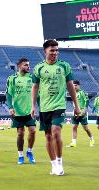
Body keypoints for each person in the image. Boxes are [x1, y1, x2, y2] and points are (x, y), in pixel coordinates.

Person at [31, 39, 80, 176]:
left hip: (59, 105)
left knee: (56, 132)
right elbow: (35, 87)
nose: (55, 53)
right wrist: (33, 106)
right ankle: (53, 165)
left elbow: (70, 86)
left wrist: (76, 105)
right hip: (44, 107)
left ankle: (59, 163)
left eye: (57, 50)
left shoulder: (64, 66)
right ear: (45, 51)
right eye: (52, 50)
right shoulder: (38, 68)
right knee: (48, 137)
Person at [6, 58, 36, 165]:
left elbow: (38, 92)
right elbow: (9, 94)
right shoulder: (12, 79)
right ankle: (20, 155)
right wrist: (10, 107)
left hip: (29, 111)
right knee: (20, 133)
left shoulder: (32, 78)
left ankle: (30, 152)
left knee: (32, 131)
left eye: (28, 65)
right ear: (19, 66)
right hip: (17, 111)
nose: (28, 67)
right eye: (26, 65)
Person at [67, 80, 94, 148]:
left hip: (82, 113)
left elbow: (87, 100)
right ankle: (73, 142)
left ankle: (91, 139)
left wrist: (85, 109)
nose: (74, 87)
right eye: (73, 86)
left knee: (86, 128)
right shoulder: (72, 93)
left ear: (79, 85)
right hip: (75, 113)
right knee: (74, 127)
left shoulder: (82, 92)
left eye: (76, 85)